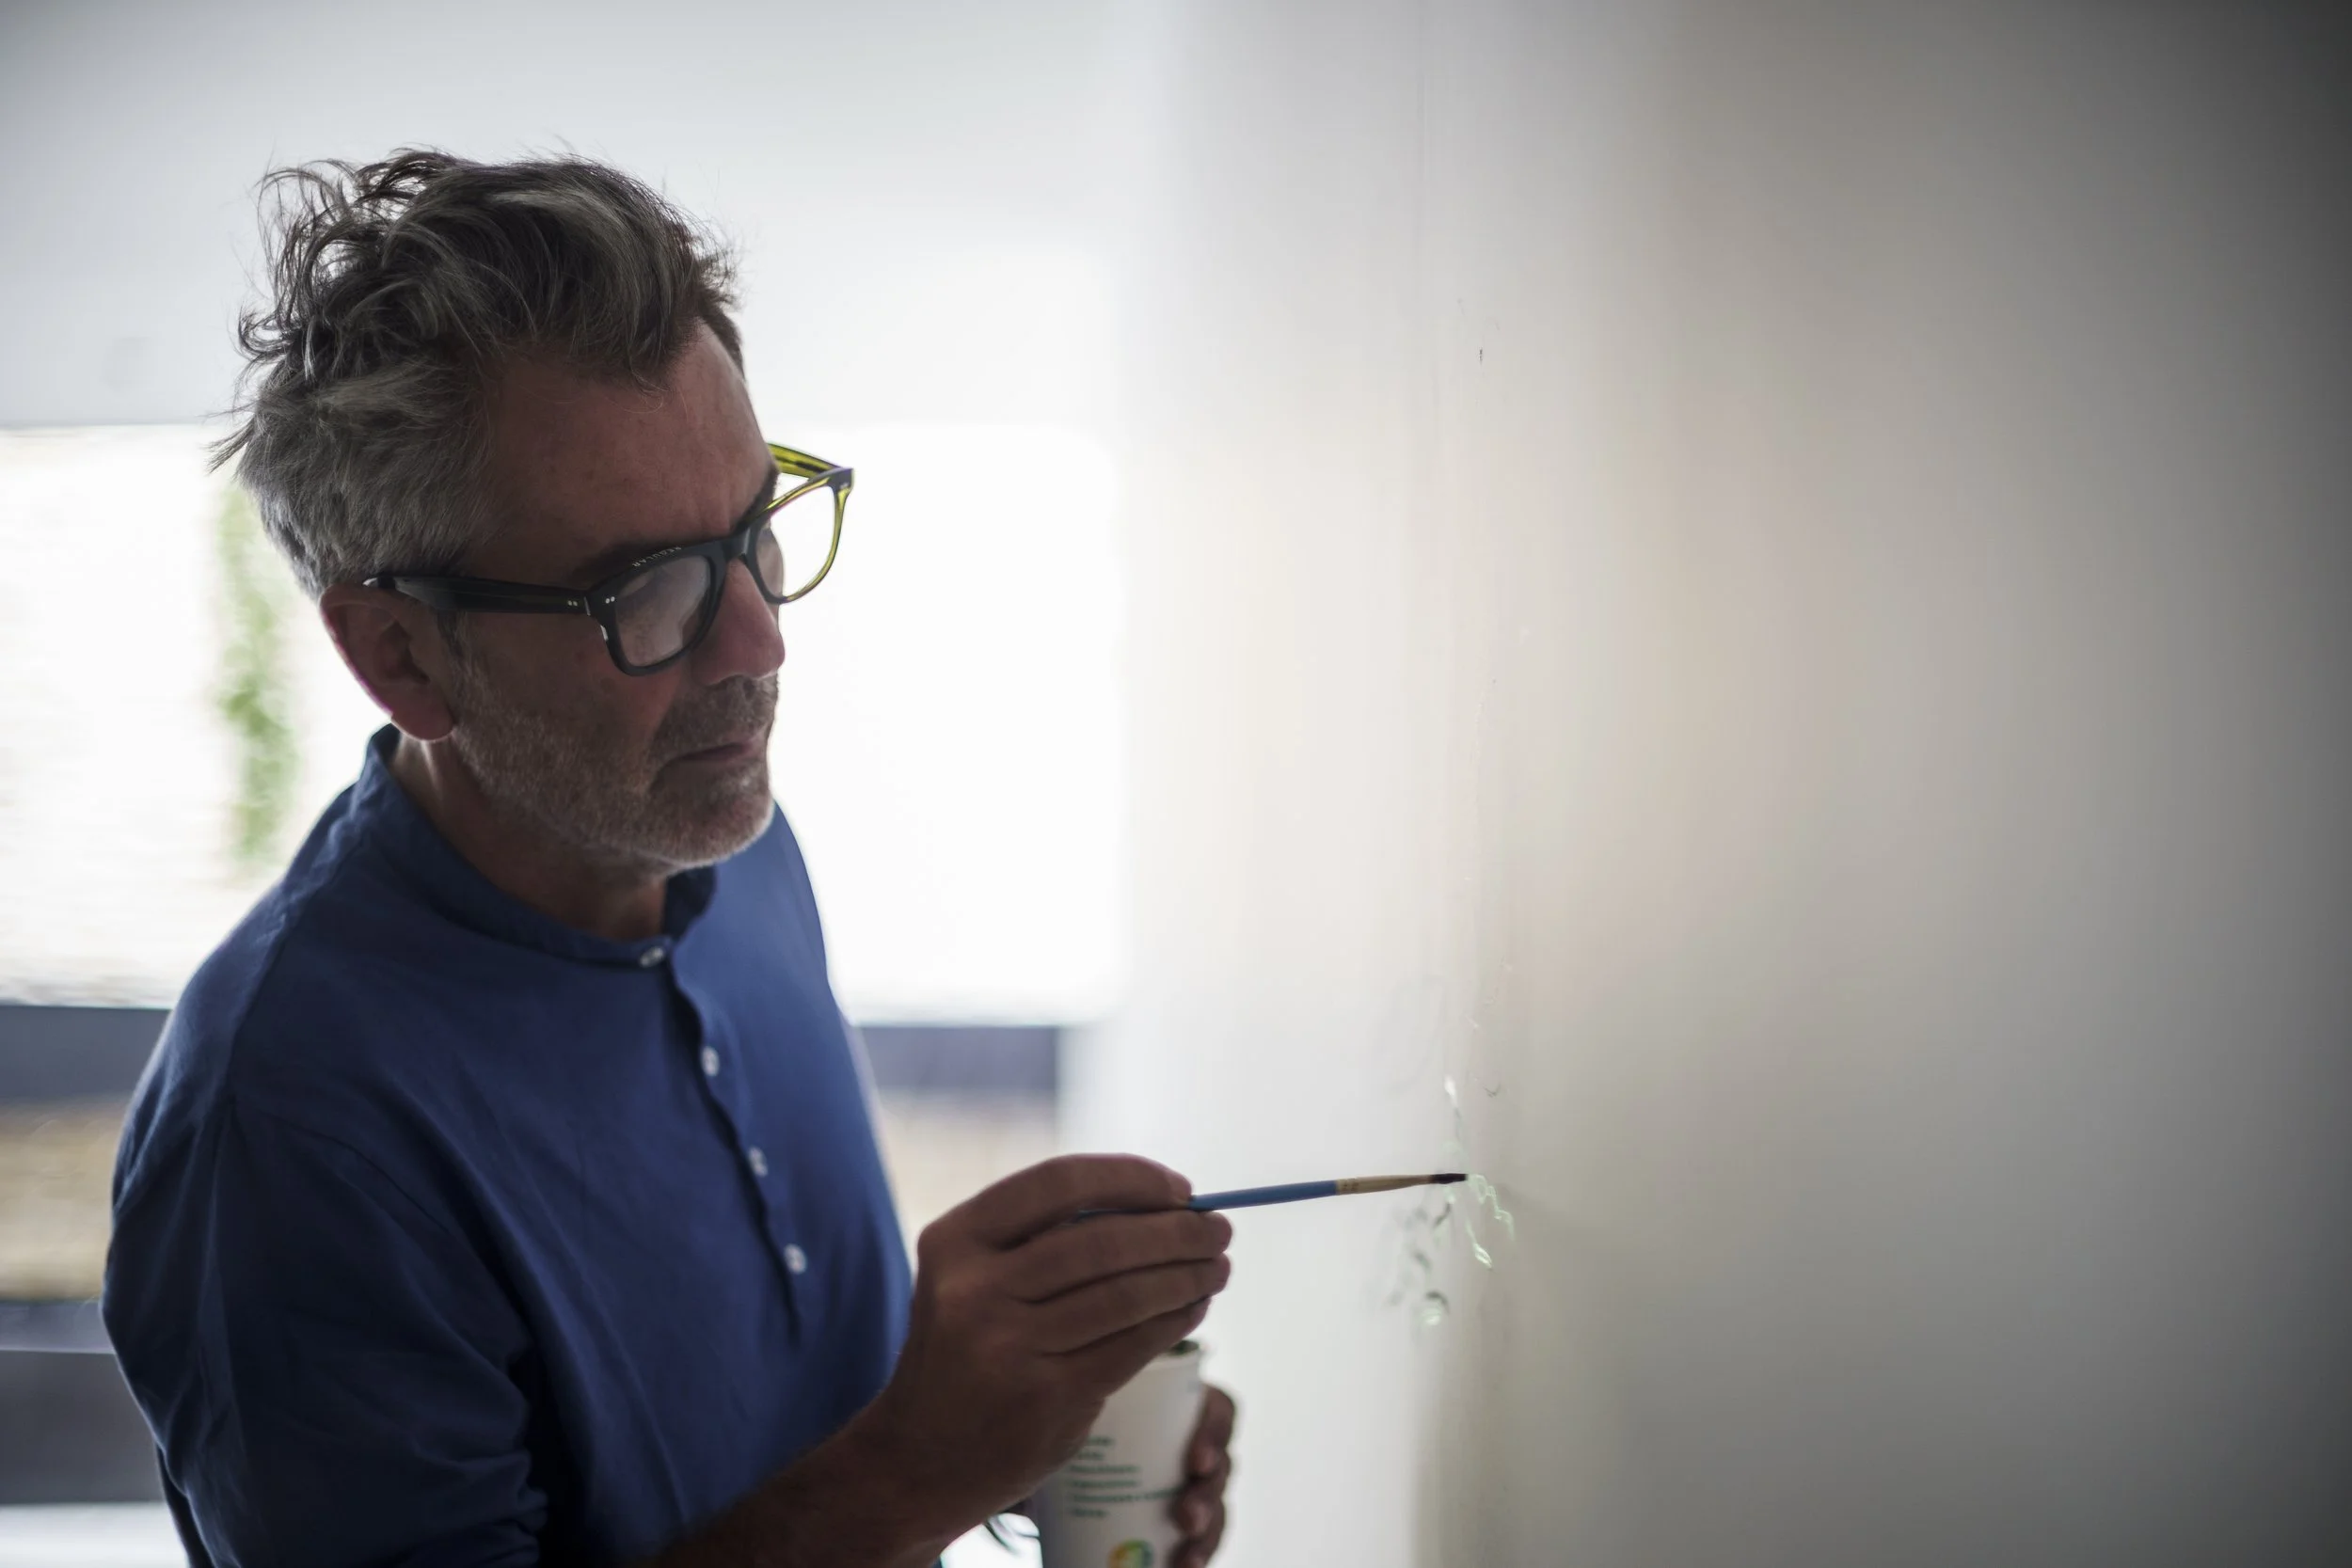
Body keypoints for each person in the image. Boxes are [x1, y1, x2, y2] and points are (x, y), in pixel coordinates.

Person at [103, 150, 1235, 1568]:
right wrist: (914, 1468)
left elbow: (800, 1440)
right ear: (400, 654)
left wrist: (1020, 1432)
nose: (761, 642)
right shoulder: (286, 1139)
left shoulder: (727, 843)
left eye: (757, 531)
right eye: (643, 588)